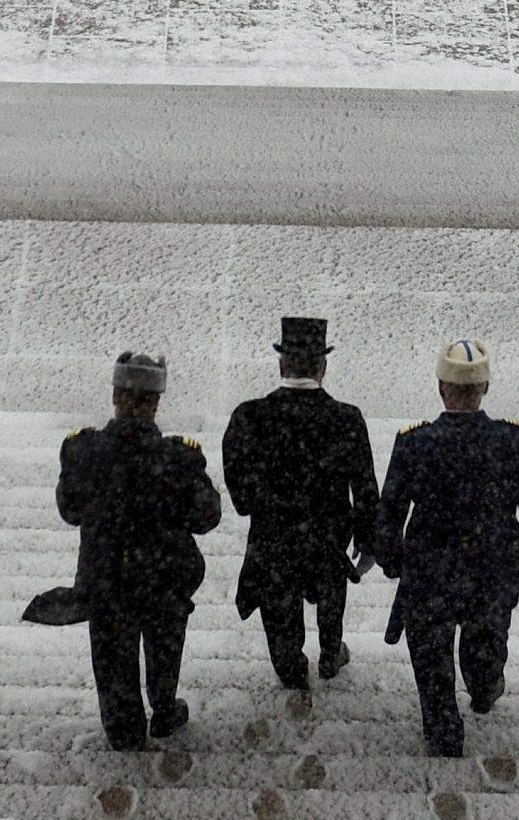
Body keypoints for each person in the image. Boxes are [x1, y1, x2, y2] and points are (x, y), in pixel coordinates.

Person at [373, 339, 519, 760]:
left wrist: (389, 557)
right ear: (484, 387)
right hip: (491, 569)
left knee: (432, 655)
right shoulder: (513, 439)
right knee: (486, 641)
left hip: (431, 571)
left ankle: (443, 731)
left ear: (441, 387)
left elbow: (391, 508)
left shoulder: (415, 443)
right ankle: (485, 688)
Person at [55, 351, 221, 753]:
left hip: (107, 577)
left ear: (115, 395)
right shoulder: (180, 456)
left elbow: (70, 510)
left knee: (113, 655)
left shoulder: (83, 451)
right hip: (163, 578)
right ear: (156, 403)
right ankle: (164, 708)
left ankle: (123, 726)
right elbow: (207, 517)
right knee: (165, 643)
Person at [220, 315, 378, 692]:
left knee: (279, 604)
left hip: (272, 541)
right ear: (323, 367)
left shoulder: (249, 415)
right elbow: (366, 486)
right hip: (327, 539)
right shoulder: (347, 418)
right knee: (330, 592)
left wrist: (264, 503)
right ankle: (329, 652)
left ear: (280, 364)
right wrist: (369, 540)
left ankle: (290, 664)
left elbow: (239, 489)